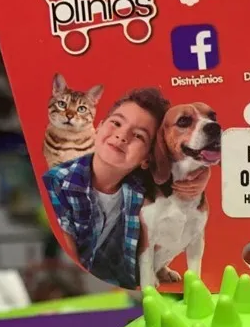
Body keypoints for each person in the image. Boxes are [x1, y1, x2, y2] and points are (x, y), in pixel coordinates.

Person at [43, 86, 169, 289]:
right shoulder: (59, 182)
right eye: (116, 123)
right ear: (99, 127)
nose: (122, 136)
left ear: (147, 158)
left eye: (139, 135)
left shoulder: (143, 195)